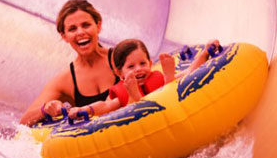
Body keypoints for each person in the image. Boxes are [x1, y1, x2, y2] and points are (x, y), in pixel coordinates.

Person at [20, 0, 119, 126]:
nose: (81, 32)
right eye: (72, 29)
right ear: (64, 36)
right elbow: (24, 122)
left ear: (98, 26)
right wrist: (45, 109)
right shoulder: (66, 81)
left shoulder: (120, 58)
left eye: (86, 25)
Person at [67, 38, 221, 120]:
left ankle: (169, 81)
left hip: (170, 112)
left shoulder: (156, 77)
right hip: (137, 123)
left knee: (174, 81)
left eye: (142, 63)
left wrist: (205, 53)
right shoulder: (122, 91)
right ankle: (137, 98)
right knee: (128, 103)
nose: (138, 69)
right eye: (131, 66)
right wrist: (84, 109)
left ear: (150, 63)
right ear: (119, 73)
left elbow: (190, 72)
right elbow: (105, 107)